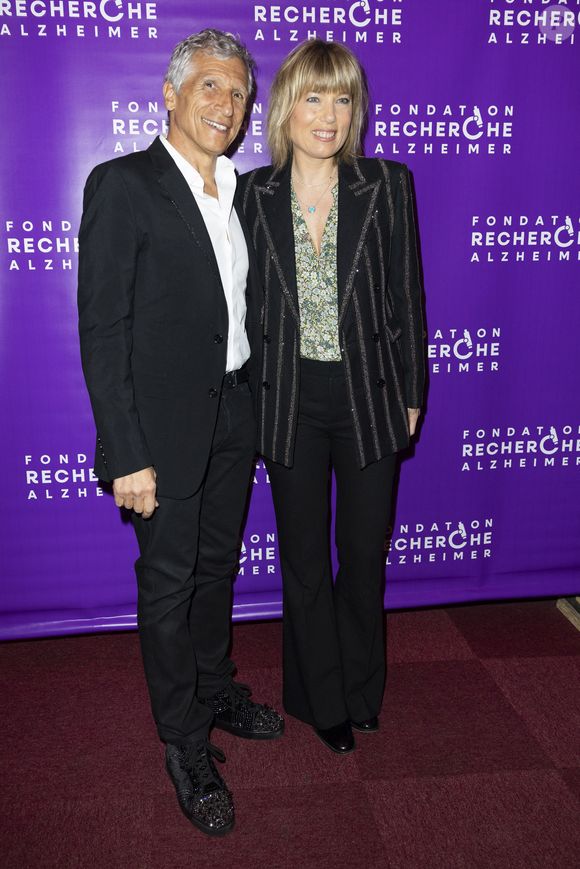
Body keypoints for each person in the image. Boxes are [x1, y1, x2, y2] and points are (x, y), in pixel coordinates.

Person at [78, 29, 284, 837]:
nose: (226, 106)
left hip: (235, 410)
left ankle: (213, 685)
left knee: (217, 566)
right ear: (169, 94)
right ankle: (184, 742)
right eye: (209, 87)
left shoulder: (243, 190)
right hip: (159, 432)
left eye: (237, 93)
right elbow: (103, 329)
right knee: (168, 585)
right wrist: (125, 451)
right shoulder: (122, 184)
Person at [239, 40, 425, 755]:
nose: (328, 115)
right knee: (306, 559)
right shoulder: (252, 195)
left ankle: (361, 688)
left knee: (364, 555)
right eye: (314, 98)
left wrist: (412, 392)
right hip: (288, 398)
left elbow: (408, 295)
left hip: (370, 395)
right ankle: (321, 698)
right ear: (286, 108)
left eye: (342, 98)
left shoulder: (387, 184)